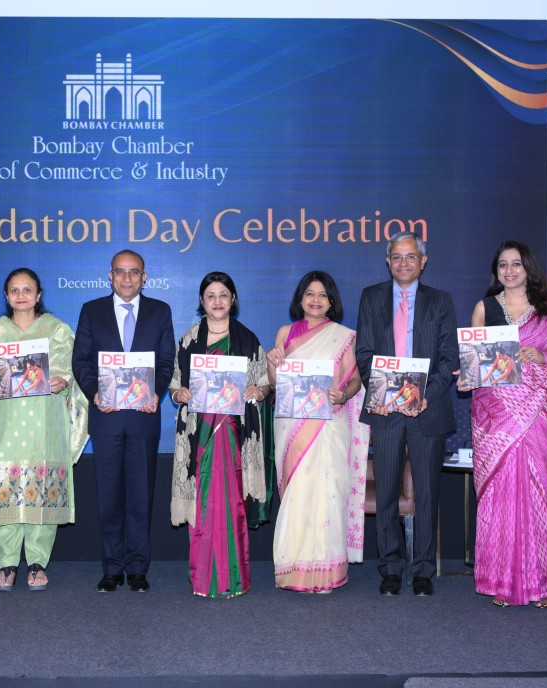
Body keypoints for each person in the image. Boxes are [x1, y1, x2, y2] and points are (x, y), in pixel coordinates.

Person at [458, 241, 547, 608]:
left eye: (516, 264)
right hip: (494, 418)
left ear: (528, 268)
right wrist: (467, 377)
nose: (509, 270)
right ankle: (501, 582)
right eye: (502, 264)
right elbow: (476, 364)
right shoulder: (484, 308)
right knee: (498, 500)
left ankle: (540, 583)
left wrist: (542, 355)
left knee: (539, 495)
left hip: (537, 417)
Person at [356, 232, 458, 597]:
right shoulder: (371, 297)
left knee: (427, 492)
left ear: (423, 261)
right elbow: (364, 353)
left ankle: (423, 570)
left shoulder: (441, 301)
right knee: (386, 491)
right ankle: (390, 568)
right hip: (385, 410)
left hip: (427, 409)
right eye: (397, 257)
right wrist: (379, 393)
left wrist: (426, 395)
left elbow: (449, 357)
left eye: (411, 256)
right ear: (388, 261)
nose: (404, 263)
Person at [0, 268, 89, 591]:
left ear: (38, 295)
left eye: (28, 290)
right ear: (6, 296)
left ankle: (38, 561)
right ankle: (7, 562)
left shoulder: (57, 330)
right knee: (3, 485)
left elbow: (71, 369)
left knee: (41, 486)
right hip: (3, 423)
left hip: (44, 421)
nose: (21, 295)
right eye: (14, 290)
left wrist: (63, 380)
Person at [72, 249, 175, 593]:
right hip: (107, 418)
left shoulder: (160, 311)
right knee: (109, 496)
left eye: (134, 272)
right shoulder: (92, 310)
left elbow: (166, 361)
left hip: (144, 418)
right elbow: (81, 360)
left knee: (141, 497)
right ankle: (112, 568)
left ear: (144, 277)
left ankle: (138, 568)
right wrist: (94, 393)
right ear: (110, 275)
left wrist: (156, 392)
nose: (127, 278)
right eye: (120, 271)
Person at [266, 271, 370, 592]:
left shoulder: (344, 337)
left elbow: (355, 380)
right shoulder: (285, 332)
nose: (315, 300)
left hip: (329, 426)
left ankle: (326, 572)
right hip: (292, 425)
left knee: (327, 495)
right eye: (310, 294)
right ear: (300, 299)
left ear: (331, 301)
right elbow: (275, 383)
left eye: (323, 295)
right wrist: (272, 362)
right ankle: (294, 570)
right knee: (297, 494)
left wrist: (343, 394)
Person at [169, 272, 268, 598]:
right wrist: (180, 394)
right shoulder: (188, 340)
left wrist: (258, 390)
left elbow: (264, 384)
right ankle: (203, 578)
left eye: (223, 294)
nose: (217, 301)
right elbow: (174, 384)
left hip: (233, 434)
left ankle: (234, 577)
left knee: (232, 502)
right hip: (199, 435)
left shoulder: (247, 339)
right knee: (202, 502)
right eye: (210, 295)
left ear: (233, 299)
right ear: (202, 301)